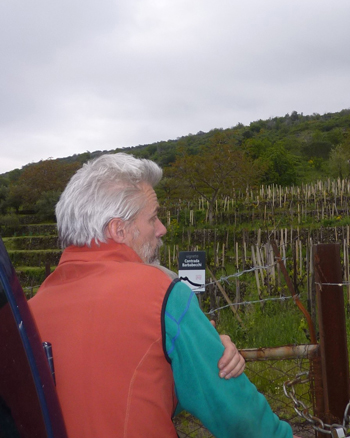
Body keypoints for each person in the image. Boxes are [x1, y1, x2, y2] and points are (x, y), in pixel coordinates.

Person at [29, 153, 297, 438]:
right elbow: (237, 415)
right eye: (153, 217)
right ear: (119, 229)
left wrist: (189, 357)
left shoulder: (28, 313)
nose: (161, 229)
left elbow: (119, 395)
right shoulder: (161, 293)